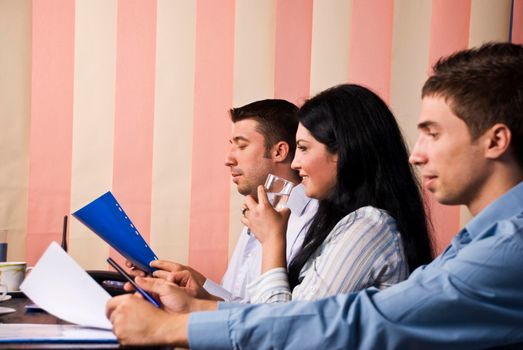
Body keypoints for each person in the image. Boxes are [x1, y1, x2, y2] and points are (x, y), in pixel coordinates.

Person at [107, 42, 523, 349]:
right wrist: (193, 307)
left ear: (495, 141)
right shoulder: (477, 243)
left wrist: (173, 327)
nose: (417, 153)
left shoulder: (504, 247)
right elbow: (306, 316)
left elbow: (350, 323)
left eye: (433, 133)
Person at [239, 84, 432, 304]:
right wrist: (203, 304)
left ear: (343, 151)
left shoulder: (369, 228)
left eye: (303, 148)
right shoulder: (337, 224)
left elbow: (285, 329)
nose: (295, 163)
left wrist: (272, 240)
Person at [131, 99, 317, 303]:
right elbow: (239, 306)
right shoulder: (258, 211)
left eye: (242, 146)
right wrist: (194, 282)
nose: (228, 159)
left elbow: (278, 319)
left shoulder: (316, 222)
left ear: (279, 152)